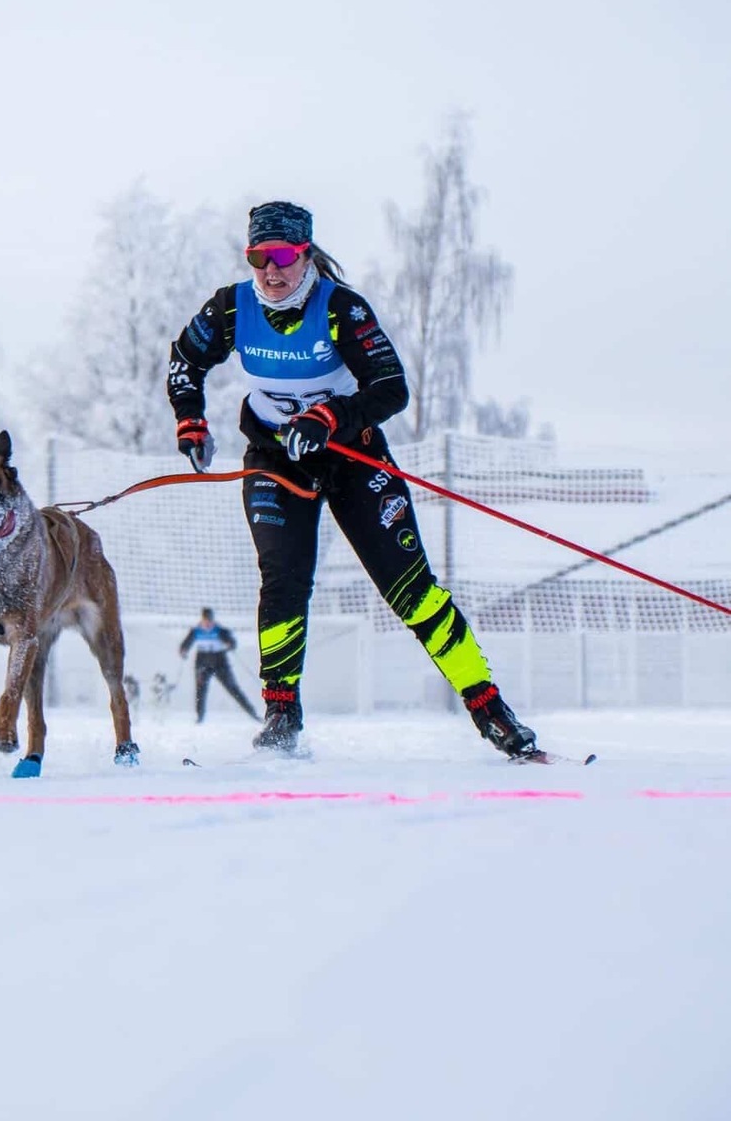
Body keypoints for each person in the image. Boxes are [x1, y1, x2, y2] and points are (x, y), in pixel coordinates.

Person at [167, 199, 539, 757]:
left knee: (410, 589)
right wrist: (191, 420)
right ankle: (281, 714)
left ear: (306, 254)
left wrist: (329, 417)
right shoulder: (231, 308)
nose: (271, 271)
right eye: (259, 257)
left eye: (283, 256)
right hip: (275, 459)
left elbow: (391, 388)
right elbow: (185, 361)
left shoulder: (342, 309)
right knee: (283, 581)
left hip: (352, 456)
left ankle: (491, 711)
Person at [179, 608, 260, 723]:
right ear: (202, 620)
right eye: (206, 621)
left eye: (210, 621)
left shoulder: (220, 630)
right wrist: (183, 650)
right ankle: (199, 717)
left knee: (232, 688)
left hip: (219, 661)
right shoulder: (196, 631)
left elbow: (232, 642)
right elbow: (185, 644)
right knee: (200, 690)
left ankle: (252, 713)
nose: (208, 624)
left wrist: (230, 644)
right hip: (202, 661)